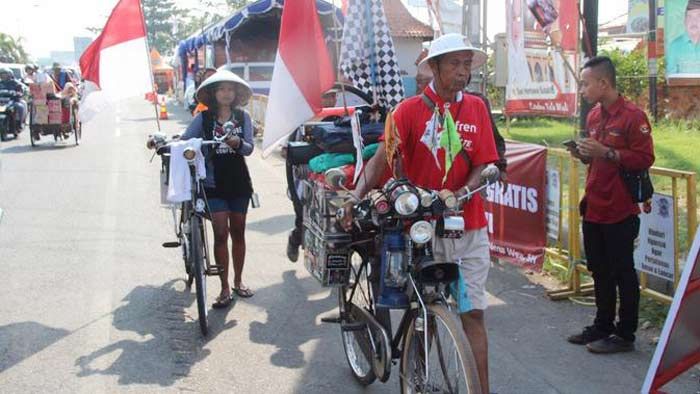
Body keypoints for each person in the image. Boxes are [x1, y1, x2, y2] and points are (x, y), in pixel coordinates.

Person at [342, 33, 499, 393]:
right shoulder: (407, 111)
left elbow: (484, 162)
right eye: (455, 64)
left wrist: (460, 193)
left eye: (467, 64)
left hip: (470, 226)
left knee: (474, 314)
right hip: (423, 230)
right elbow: (381, 159)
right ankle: (414, 380)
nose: (463, 72)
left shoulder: (475, 107)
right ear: (434, 67)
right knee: (425, 314)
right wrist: (355, 195)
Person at [566, 56, 655, 353]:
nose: (582, 89)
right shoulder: (593, 115)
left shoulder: (633, 116)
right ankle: (602, 325)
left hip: (620, 208)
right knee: (599, 270)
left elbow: (645, 159)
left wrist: (608, 153)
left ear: (603, 83)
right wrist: (584, 154)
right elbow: (597, 157)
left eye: (585, 83)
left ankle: (624, 334)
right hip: (594, 205)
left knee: (622, 272)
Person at [181, 70, 256, 307]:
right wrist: (193, 147)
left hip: (239, 182)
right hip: (212, 183)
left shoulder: (243, 118)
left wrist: (238, 143)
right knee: (220, 233)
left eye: (230, 89)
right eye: (221, 89)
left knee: (239, 232)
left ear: (236, 94)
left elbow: (249, 148)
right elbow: (186, 141)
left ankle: (238, 281)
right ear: (214, 93)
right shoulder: (202, 119)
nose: (226, 93)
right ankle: (224, 287)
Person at [667, 0, 700, 75]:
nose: (693, 21)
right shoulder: (674, 46)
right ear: (684, 21)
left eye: (698, 16)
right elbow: (671, 77)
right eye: (689, 16)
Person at [0, 67, 27, 131]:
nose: (3, 75)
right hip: (2, 101)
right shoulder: (0, 83)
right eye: (2, 74)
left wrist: (19, 93)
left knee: (20, 107)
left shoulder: (15, 82)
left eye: (5, 74)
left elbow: (22, 89)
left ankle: (20, 123)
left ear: (9, 74)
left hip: (13, 101)